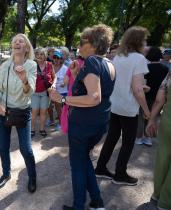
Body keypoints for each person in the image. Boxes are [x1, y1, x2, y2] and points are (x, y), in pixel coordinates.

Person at [50, 24, 115, 210]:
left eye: (82, 41)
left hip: (84, 124)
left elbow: (94, 97)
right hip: (99, 122)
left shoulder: (93, 62)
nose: (78, 45)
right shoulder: (109, 63)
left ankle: (79, 206)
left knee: (77, 165)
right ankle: (97, 202)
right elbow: (94, 90)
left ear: (94, 44)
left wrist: (62, 99)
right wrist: (77, 73)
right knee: (84, 160)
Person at [95, 26, 151, 186]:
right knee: (127, 142)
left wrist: (140, 87)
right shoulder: (139, 59)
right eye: (145, 40)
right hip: (128, 108)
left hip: (115, 105)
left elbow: (123, 82)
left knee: (111, 138)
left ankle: (100, 168)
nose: (146, 43)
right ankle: (120, 174)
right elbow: (137, 90)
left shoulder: (118, 57)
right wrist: (147, 111)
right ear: (138, 41)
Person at [0, 33, 37, 193]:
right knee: (3, 147)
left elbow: (29, 92)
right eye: (15, 41)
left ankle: (32, 177)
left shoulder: (31, 65)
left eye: (21, 41)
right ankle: (6, 174)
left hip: (22, 111)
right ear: (12, 46)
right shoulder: (5, 65)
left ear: (26, 48)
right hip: (4, 111)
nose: (17, 43)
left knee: (26, 149)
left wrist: (24, 79)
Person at [146, 71, 171, 210]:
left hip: (167, 122)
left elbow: (159, 99)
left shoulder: (170, 74)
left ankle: (156, 194)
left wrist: (151, 119)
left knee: (163, 158)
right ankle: (166, 202)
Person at [135, 47, 169, 146]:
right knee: (153, 118)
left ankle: (139, 138)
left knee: (141, 117)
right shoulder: (165, 69)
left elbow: (143, 83)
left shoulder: (146, 68)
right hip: (159, 98)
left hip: (146, 96)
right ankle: (148, 138)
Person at [31, 48, 54, 137]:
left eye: (42, 54)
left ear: (45, 56)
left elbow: (54, 77)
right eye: (38, 54)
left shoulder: (49, 64)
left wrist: (53, 86)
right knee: (34, 111)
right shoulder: (33, 65)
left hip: (45, 92)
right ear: (35, 56)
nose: (40, 56)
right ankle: (32, 129)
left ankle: (42, 129)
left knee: (44, 111)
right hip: (35, 92)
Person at [51, 50, 68, 130]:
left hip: (64, 92)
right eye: (54, 57)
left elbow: (68, 79)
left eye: (58, 58)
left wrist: (64, 83)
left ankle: (62, 124)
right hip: (53, 92)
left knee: (63, 108)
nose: (56, 59)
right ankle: (54, 121)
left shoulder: (65, 68)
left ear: (61, 59)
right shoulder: (50, 66)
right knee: (55, 107)